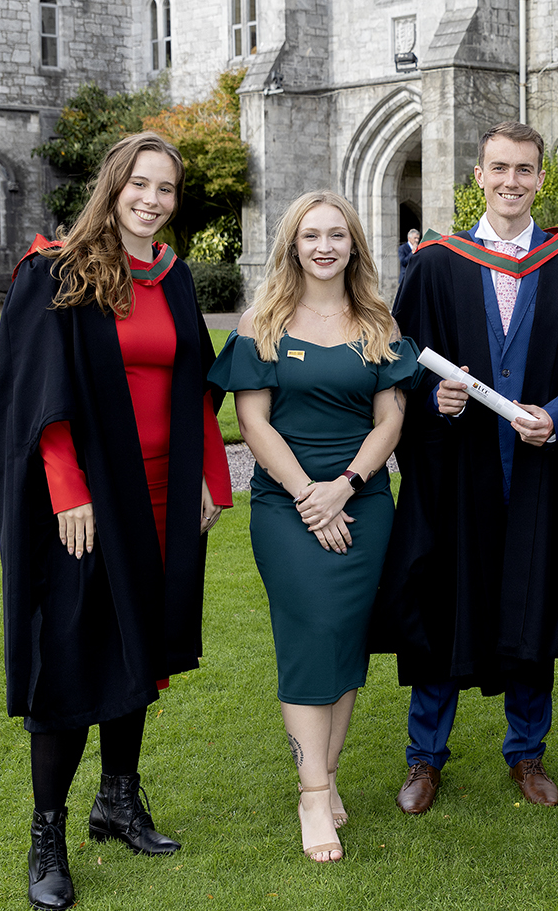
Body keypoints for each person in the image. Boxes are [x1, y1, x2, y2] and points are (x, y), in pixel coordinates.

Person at [0, 132, 232, 910]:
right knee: (69, 655)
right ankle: (47, 833)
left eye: (166, 189)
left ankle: (118, 799)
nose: (153, 200)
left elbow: (195, 378)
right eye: (141, 184)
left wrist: (207, 478)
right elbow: (40, 396)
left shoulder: (172, 278)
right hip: (88, 502)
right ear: (114, 184)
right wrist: (67, 490)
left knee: (140, 644)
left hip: (160, 494)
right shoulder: (56, 270)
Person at [376, 122, 558, 813]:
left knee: (533, 611)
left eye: (525, 170)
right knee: (444, 609)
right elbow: (399, 368)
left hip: (535, 476)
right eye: (499, 167)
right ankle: (425, 756)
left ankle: (526, 752)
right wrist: (439, 398)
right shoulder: (437, 263)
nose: (511, 181)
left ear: (541, 179)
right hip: (456, 478)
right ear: (477, 175)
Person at [208, 189, 419, 863]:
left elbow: (389, 419)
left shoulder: (376, 321)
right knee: (309, 638)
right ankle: (311, 792)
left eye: (335, 234)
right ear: (292, 246)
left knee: (347, 641)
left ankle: (324, 776)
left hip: (363, 503)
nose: (323, 245)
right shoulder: (262, 320)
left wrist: (347, 488)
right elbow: (253, 422)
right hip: (286, 507)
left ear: (353, 243)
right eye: (310, 235)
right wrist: (309, 495)